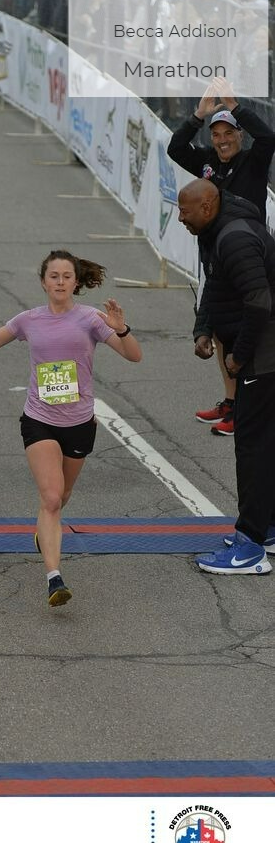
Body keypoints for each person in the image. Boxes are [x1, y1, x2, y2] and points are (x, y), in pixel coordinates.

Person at [0, 250, 142, 608]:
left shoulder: (92, 319)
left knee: (61, 497)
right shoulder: (29, 320)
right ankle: (54, 579)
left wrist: (121, 329)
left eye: (67, 276)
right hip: (39, 420)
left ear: (76, 282)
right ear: (43, 282)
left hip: (79, 423)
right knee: (50, 498)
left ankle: (44, 532)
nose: (60, 282)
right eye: (54, 276)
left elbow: (133, 355)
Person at [167, 76, 275, 436]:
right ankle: (231, 402)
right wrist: (198, 115)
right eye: (216, 134)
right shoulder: (208, 164)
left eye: (229, 133)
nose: (223, 140)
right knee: (220, 326)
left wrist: (234, 105)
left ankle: (244, 405)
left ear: (240, 135)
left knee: (248, 323)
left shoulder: (252, 161)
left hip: (245, 255)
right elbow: (175, 148)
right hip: (213, 255)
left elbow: (269, 138)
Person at [177, 179, 275, 574]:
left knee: (253, 447)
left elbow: (259, 302)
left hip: (265, 355)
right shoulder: (214, 229)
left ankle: (250, 547)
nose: (179, 218)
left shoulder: (234, 238)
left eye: (185, 211)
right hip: (262, 352)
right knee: (264, 443)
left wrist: (237, 357)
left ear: (207, 206)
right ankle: (267, 528)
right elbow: (215, 283)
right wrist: (203, 328)